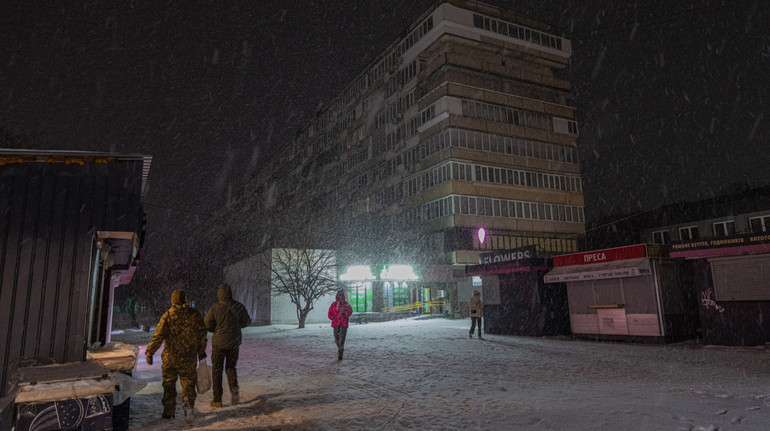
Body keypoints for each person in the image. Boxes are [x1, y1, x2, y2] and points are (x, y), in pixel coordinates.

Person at [146, 289, 207, 421]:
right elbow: (202, 336)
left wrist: (150, 352)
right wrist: (201, 352)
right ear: (186, 301)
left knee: (169, 385)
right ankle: (187, 403)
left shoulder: (167, 316)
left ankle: (169, 413)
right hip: (188, 358)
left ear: (172, 301)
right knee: (188, 384)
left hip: (170, 358)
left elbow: (158, 336)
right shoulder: (195, 315)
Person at [204, 283, 251, 408]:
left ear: (220, 294)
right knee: (231, 368)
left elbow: (207, 324)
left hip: (219, 343)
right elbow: (246, 321)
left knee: (217, 370)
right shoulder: (239, 307)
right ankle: (234, 393)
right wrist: (235, 327)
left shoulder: (215, 307)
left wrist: (217, 330)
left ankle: (217, 400)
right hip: (234, 342)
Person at [328, 289, 353, 360]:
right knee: (336, 338)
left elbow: (350, 311)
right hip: (335, 323)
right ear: (337, 296)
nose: (340, 297)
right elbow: (329, 313)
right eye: (339, 295)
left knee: (342, 337)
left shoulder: (346, 304)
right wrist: (332, 317)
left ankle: (340, 350)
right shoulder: (333, 304)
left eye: (342, 295)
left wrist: (345, 315)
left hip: (343, 324)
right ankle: (340, 348)